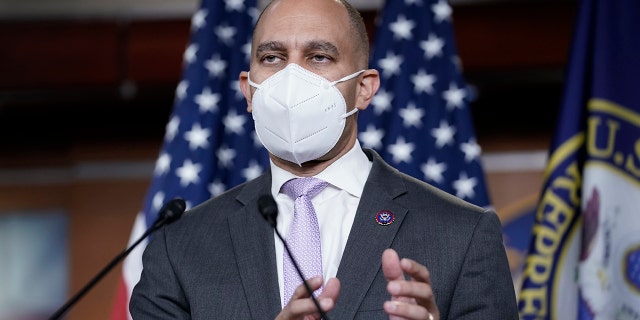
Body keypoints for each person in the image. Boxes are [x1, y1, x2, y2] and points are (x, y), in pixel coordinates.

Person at [129, 0, 519, 319]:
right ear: (249, 91)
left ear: (364, 88)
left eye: (317, 57)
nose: (291, 77)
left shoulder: (464, 235)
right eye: (273, 57)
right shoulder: (178, 245)